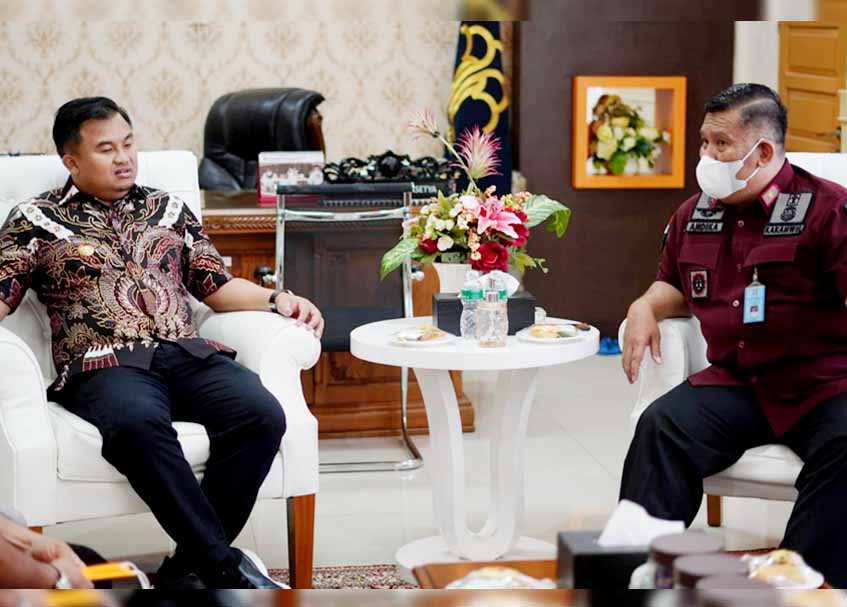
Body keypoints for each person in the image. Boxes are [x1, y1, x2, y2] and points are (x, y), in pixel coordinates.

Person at [0, 97, 324, 589]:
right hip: (104, 364)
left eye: (128, 144)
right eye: (106, 149)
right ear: (72, 161)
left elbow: (214, 285)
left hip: (186, 352)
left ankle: (188, 568)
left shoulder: (167, 208)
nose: (123, 158)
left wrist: (278, 299)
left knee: (261, 415)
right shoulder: (34, 219)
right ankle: (223, 569)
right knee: (136, 426)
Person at [619, 83, 847, 587]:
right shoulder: (694, 214)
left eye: (721, 144)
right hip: (738, 382)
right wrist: (645, 305)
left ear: (762, 152)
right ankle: (640, 571)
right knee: (662, 426)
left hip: (822, 385)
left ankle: (796, 582)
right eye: (704, 142)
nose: (707, 156)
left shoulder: (829, 210)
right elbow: (673, 284)